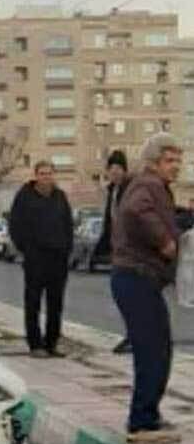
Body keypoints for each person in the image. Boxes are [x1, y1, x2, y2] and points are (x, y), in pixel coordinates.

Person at [111, 134, 185, 444]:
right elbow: (135, 212)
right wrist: (164, 241)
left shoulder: (154, 187)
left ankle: (148, 416)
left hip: (138, 280)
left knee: (159, 348)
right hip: (136, 278)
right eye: (170, 161)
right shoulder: (148, 184)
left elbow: (159, 215)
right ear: (154, 162)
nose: (176, 167)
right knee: (151, 350)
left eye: (178, 161)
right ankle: (141, 421)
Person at [8, 161, 74, 358]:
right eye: (42, 174)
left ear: (54, 176)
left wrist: (67, 249)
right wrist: (26, 249)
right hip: (35, 258)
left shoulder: (60, 197)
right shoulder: (25, 197)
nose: (46, 177)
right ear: (35, 176)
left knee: (56, 303)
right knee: (33, 302)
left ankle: (52, 342)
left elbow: (68, 224)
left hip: (58, 258)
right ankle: (35, 344)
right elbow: (15, 225)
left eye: (49, 174)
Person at [96, 150, 132, 354]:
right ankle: (131, 334)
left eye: (119, 169)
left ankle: (134, 336)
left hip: (130, 250)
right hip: (117, 249)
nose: (115, 173)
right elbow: (110, 221)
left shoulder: (130, 189)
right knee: (121, 295)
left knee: (129, 294)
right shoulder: (112, 191)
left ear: (125, 171)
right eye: (112, 169)